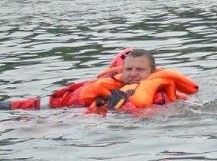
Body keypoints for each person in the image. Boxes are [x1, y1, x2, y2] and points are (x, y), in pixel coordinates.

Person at [0, 48, 198, 112]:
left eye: (140, 69)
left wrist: (125, 105)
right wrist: (11, 105)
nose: (133, 73)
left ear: (152, 72)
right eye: (128, 69)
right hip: (77, 115)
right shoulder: (99, 86)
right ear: (119, 70)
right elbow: (56, 101)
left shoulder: (165, 92)